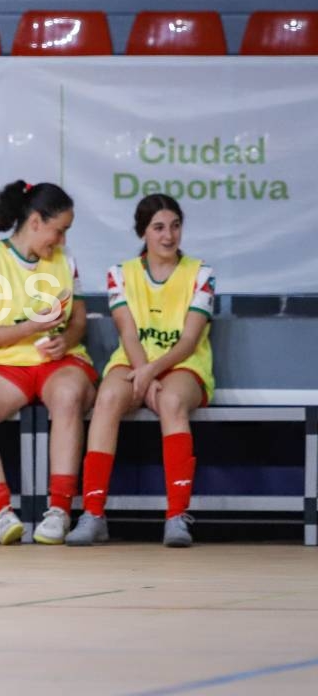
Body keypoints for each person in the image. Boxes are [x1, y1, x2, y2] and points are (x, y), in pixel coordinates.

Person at [67, 195, 214, 548]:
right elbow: (128, 334)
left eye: (175, 226)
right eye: (158, 228)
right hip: (133, 361)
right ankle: (92, 514)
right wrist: (143, 372)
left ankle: (176, 516)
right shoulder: (121, 273)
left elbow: (189, 340)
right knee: (107, 398)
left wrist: (150, 373)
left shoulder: (201, 273)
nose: (168, 236)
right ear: (143, 232)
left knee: (172, 401)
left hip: (181, 364)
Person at [0, 180, 96, 545]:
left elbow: (79, 321)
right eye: (59, 230)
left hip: (59, 362)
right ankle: (2, 513)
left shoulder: (65, 261)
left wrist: (66, 340)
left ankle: (59, 511)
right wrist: (35, 325)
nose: (62, 240)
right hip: (7, 363)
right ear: (35, 221)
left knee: (67, 397)